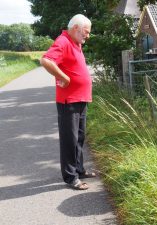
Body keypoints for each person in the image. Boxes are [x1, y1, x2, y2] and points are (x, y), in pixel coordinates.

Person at [40, 14, 96, 190]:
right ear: (75, 28)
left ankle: (79, 169)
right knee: (69, 140)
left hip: (81, 98)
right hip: (68, 101)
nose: (88, 35)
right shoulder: (64, 41)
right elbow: (46, 60)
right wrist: (63, 76)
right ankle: (71, 177)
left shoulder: (76, 43)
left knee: (79, 137)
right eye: (86, 32)